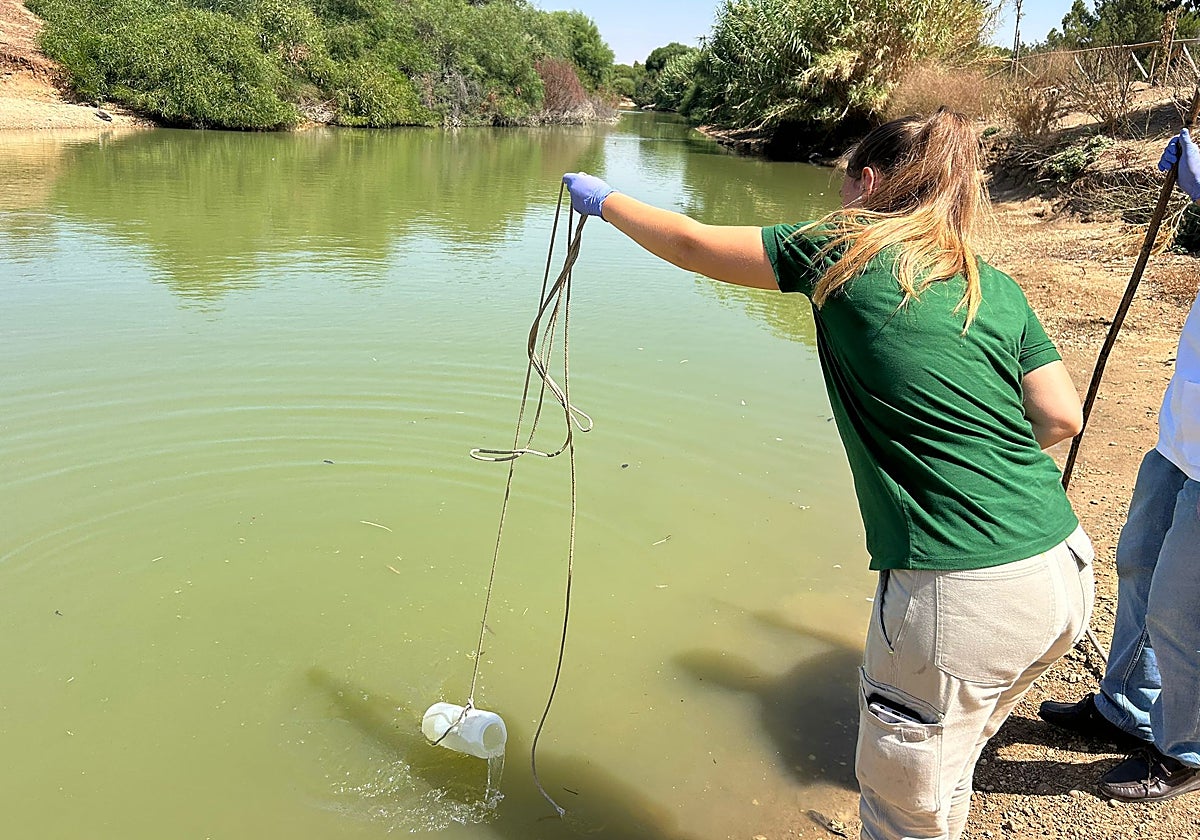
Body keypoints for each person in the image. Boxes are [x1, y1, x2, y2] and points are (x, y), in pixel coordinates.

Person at [563, 108, 1093, 840]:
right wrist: (977, 466)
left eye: (843, 181)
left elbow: (690, 243)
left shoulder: (845, 250)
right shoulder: (989, 281)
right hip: (1061, 570)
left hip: (960, 598)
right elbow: (1062, 417)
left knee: (901, 812)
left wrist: (604, 201)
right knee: (952, 766)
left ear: (867, 182)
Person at [1038, 128, 1200, 803]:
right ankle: (1126, 708)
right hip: (1184, 432)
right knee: (1137, 562)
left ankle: (1184, 750)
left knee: (1183, 607)